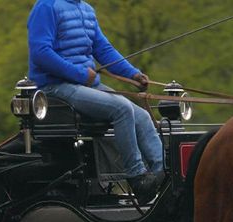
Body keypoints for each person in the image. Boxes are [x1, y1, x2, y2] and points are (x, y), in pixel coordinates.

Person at [27, 0, 165, 204]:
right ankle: (137, 178)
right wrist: (81, 74)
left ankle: (163, 175)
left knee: (142, 117)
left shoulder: (86, 9)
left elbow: (103, 49)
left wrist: (133, 74)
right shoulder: (47, 6)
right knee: (122, 108)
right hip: (56, 86)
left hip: (86, 85)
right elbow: (40, 53)